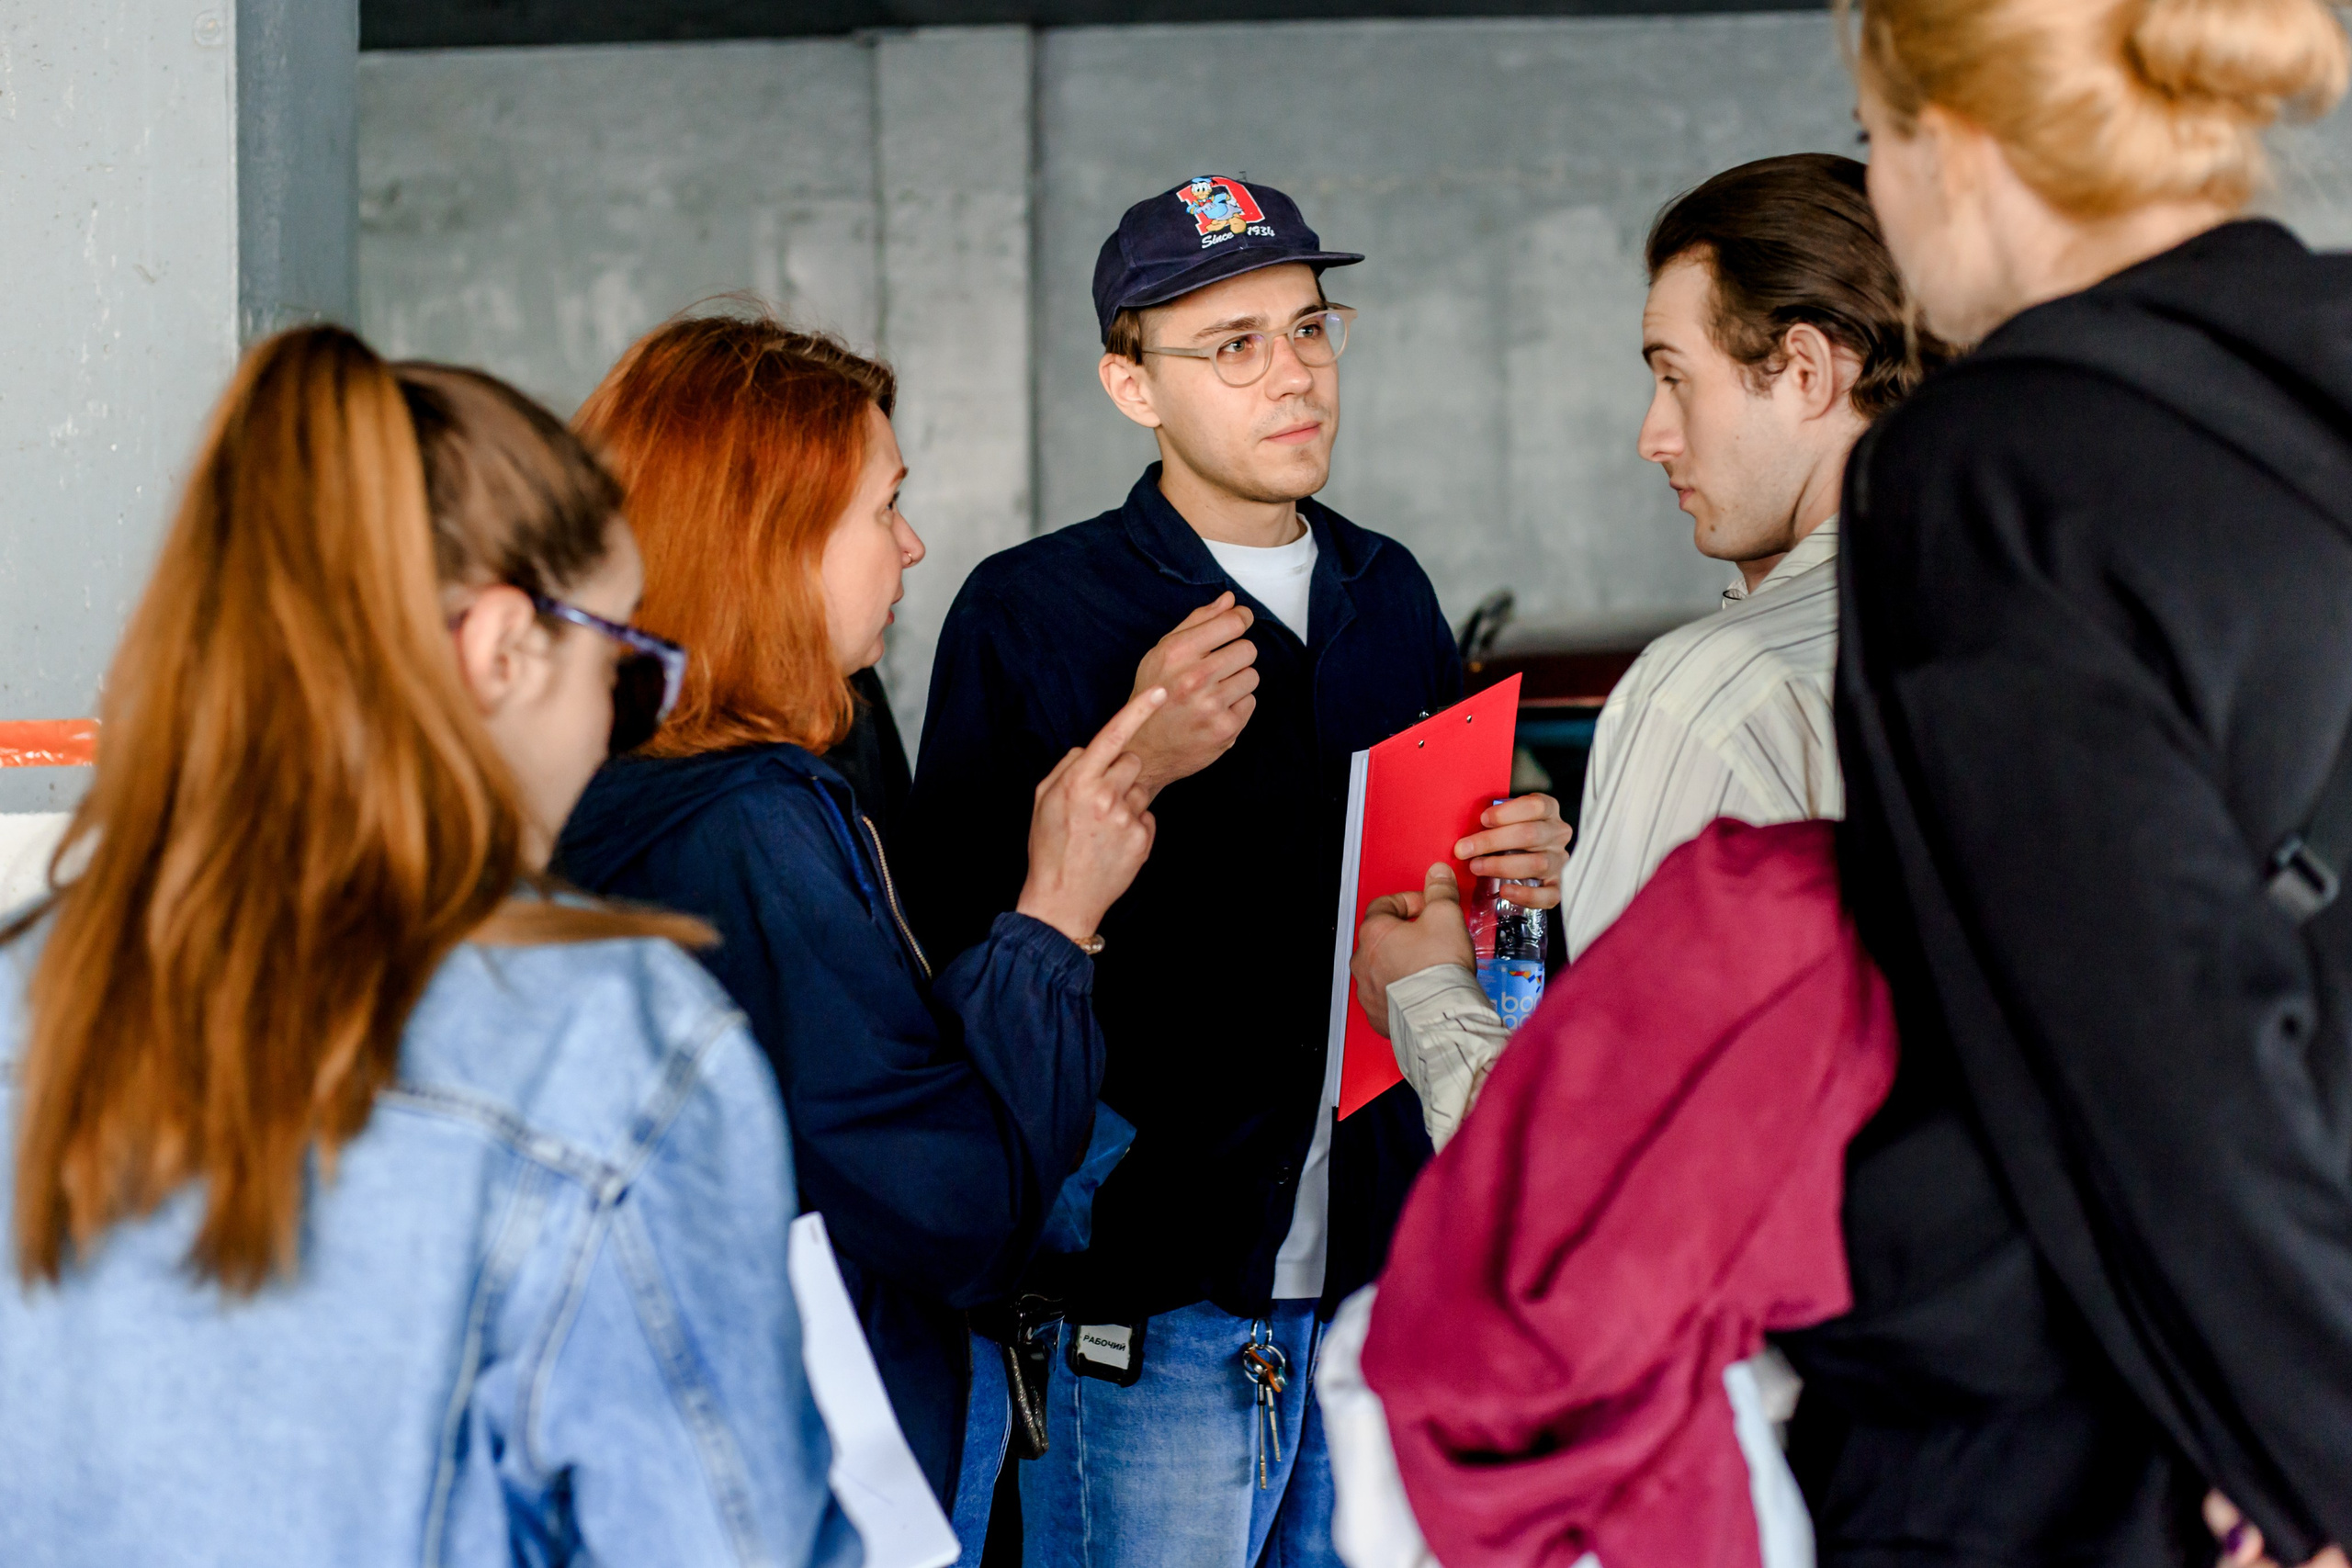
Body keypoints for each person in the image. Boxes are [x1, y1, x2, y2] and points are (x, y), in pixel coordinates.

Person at [0, 326, 857, 1566]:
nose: (623, 729)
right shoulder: (609, 1039)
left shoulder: (25, 993)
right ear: (501, 647)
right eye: (627, 670)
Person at [902, 175, 1571, 1568]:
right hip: (1156, 1290)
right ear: (1129, 385)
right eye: (1234, 346)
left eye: (1310, 328)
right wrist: (1134, 744)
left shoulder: (1390, 591)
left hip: (1378, 1272)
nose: (1294, 378)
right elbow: (965, 973)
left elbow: (1432, 901)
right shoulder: (1033, 611)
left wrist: (1519, 869)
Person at [1781, 0, 2352, 1562]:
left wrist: (2310, 1453)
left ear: (1948, 146)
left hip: (2093, 1461)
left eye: (1873, 145)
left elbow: (2153, 1035)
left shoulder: (1986, 471)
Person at [1333, 151, 1941, 1568]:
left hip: (1781, 1445)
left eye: (1675, 375)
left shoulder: (1707, 691)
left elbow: (1575, 1214)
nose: (1650, 434)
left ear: (1804, 368)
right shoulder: (2023, 628)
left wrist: (1424, 993)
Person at [554, 315, 1163, 1518]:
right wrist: (1056, 914)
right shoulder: (752, 828)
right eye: (882, 509)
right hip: (817, 1476)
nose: (912, 544)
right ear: (767, 546)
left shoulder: (582, 785)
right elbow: (954, 1214)